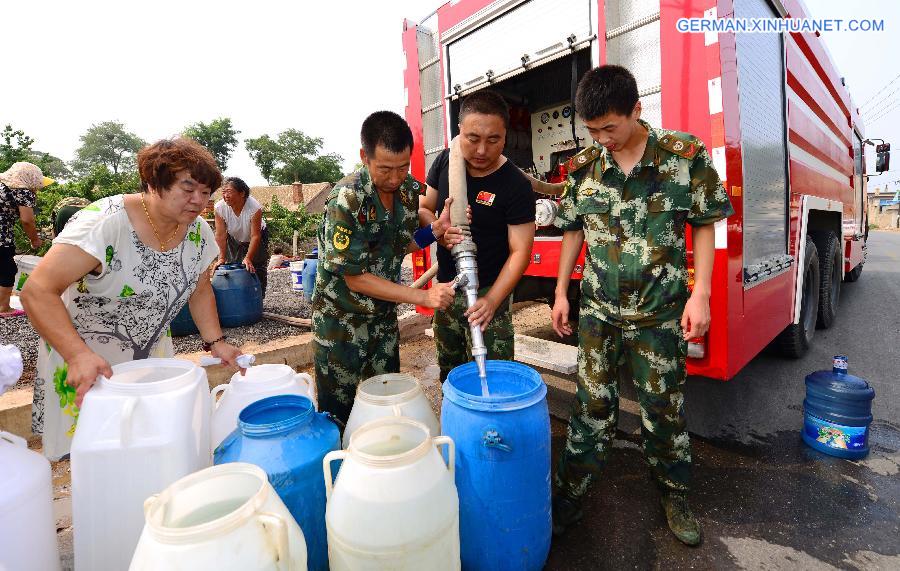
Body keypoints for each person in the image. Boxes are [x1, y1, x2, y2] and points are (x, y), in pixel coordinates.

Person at [549, 65, 734, 545]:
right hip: (598, 313)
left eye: (610, 127)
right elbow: (573, 228)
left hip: (660, 313)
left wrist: (701, 294)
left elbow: (706, 223)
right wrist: (561, 291)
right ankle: (570, 496)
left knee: (663, 409)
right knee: (592, 407)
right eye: (592, 130)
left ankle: (675, 493)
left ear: (636, 110)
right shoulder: (585, 166)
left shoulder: (683, 156)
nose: (603, 138)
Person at [21, 138, 244, 460]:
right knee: (94, 454)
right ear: (154, 183)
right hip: (88, 361)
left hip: (150, 357)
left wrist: (216, 341)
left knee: (146, 449)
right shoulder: (103, 224)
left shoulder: (196, 232)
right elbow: (37, 291)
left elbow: (199, 289)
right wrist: (77, 356)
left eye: (206, 192)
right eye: (188, 189)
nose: (199, 201)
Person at [312, 110, 461, 422]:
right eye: (385, 169)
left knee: (385, 407)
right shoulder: (347, 200)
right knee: (339, 416)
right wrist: (423, 297)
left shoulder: (407, 190)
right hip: (341, 327)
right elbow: (356, 278)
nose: (394, 178)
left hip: (382, 320)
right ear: (364, 156)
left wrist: (433, 230)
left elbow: (393, 246)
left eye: (402, 167)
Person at [420, 90, 536, 380]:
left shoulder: (515, 184)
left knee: (494, 375)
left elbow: (520, 250)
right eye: (473, 139)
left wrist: (493, 301)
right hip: (446, 292)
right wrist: (439, 229)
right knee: (451, 375)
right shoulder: (445, 162)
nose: (482, 150)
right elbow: (423, 208)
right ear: (459, 131)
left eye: (493, 140)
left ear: (505, 136)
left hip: (488, 293)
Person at [0, 162, 51, 316]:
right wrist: (35, 240)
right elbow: (27, 220)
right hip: (1, 238)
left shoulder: (2, 186)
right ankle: (3, 308)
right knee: (7, 270)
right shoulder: (22, 191)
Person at [214, 177, 270, 295]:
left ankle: (259, 296)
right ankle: (238, 295)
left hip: (257, 235)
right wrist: (221, 258)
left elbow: (255, 235)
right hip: (235, 236)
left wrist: (248, 257)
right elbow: (220, 235)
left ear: (242, 193)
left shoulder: (254, 207)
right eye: (223, 192)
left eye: (229, 191)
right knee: (233, 264)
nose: (225, 196)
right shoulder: (219, 208)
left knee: (256, 265)